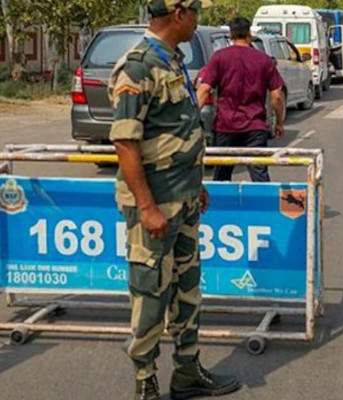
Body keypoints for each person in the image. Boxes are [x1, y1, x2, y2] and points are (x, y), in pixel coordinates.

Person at [108, 1, 240, 399]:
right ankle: (145, 382)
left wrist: (195, 184)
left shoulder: (172, 60)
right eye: (195, 12)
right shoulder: (138, 66)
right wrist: (147, 208)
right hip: (155, 205)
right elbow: (125, 142)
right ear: (178, 14)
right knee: (150, 293)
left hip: (183, 199)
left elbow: (177, 130)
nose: (199, 20)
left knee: (187, 288)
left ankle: (186, 372)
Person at [196, 17, 285, 182]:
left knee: (221, 176)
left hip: (225, 126)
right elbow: (277, 96)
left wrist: (192, 120)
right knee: (259, 175)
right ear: (249, 34)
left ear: (230, 35)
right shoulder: (264, 60)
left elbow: (204, 90)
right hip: (255, 127)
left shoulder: (219, 58)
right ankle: (262, 199)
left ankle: (222, 200)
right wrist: (279, 122)